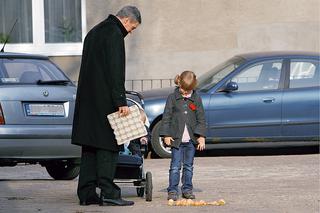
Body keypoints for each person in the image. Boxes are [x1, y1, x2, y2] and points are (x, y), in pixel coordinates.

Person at [71, 6, 141, 206]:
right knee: (108, 147)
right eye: (133, 28)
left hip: (88, 102)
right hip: (104, 102)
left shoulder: (95, 32)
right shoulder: (114, 34)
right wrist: (121, 101)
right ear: (126, 20)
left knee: (90, 148)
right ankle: (109, 192)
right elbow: (115, 71)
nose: (130, 32)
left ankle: (86, 193)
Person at [159, 71, 206, 201]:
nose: (185, 93)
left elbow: (201, 118)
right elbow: (166, 117)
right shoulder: (172, 98)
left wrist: (201, 136)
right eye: (183, 90)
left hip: (191, 140)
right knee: (175, 166)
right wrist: (166, 135)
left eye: (188, 91)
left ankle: (187, 189)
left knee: (188, 166)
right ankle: (173, 190)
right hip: (176, 140)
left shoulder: (196, 98)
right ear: (179, 83)